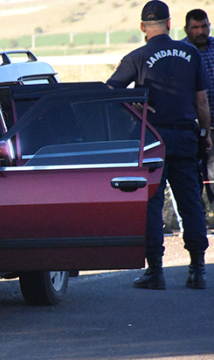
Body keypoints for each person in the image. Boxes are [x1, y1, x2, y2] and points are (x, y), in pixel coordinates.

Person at [107, 0, 211, 290]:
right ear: (169, 23)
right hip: (186, 134)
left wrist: (135, 108)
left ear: (142, 27)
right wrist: (206, 131)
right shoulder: (191, 53)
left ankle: (155, 271)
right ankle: (198, 270)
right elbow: (201, 100)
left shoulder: (137, 57)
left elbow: (110, 93)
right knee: (191, 201)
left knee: (152, 202)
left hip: (153, 139)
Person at [183, 9, 214, 205]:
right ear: (186, 29)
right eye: (195, 27)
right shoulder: (182, 52)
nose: (200, 31)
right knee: (196, 173)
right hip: (194, 123)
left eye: (204, 26)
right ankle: (198, 216)